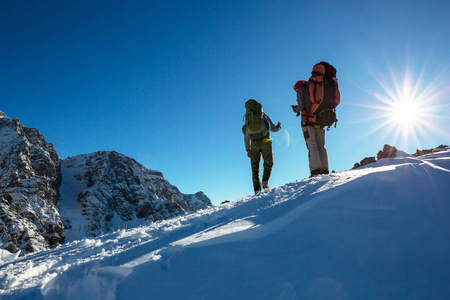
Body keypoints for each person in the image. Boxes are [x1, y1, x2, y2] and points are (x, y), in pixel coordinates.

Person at [242, 99, 281, 194]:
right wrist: (279, 126)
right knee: (268, 163)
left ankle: (257, 191)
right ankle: (265, 181)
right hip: (265, 141)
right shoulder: (263, 115)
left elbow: (246, 136)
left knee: (255, 168)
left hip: (253, 144)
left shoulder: (248, 119)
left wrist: (248, 149)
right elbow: (274, 129)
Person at [292, 80, 329, 177]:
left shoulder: (301, 90)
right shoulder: (316, 89)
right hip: (320, 122)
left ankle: (315, 171)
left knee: (312, 146)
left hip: (308, 122)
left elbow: (301, 107)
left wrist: (295, 109)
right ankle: (325, 170)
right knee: (321, 146)